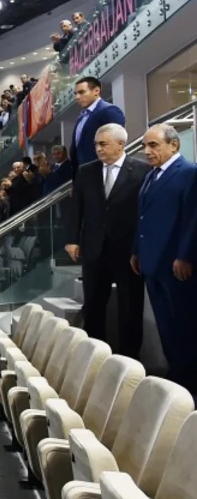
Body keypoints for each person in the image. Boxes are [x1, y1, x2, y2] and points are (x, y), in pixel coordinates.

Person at [64, 123, 150, 358]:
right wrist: (72, 239)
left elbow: (146, 213)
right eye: (96, 145)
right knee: (92, 306)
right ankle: (94, 358)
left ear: (121, 144)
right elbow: (77, 209)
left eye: (103, 144)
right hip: (93, 248)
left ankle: (130, 360)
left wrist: (141, 248)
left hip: (128, 251)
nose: (98, 149)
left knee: (130, 308)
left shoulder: (142, 171)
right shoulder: (85, 171)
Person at [132, 124, 197, 392]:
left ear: (174, 145)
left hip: (176, 266)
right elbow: (143, 218)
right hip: (151, 263)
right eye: (145, 146)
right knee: (165, 327)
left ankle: (189, 382)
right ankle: (177, 376)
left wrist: (186, 256)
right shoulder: (151, 176)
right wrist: (136, 250)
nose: (147, 151)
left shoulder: (189, 174)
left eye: (154, 145)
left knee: (185, 326)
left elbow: (193, 220)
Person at [70, 77, 126, 170]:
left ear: (96, 91)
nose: (77, 97)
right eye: (76, 94)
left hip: (103, 171)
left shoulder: (109, 110)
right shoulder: (81, 117)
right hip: (83, 172)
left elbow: (115, 144)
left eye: (81, 92)